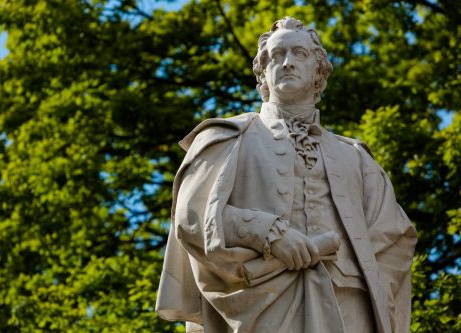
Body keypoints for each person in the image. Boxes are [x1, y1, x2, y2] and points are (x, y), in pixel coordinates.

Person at [156, 17, 417, 333]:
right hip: (261, 300)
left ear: (318, 71)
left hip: (349, 309)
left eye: (299, 54)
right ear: (263, 73)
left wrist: (364, 283)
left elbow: (395, 238)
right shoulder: (225, 139)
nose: (287, 63)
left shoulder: (357, 158)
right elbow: (192, 216)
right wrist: (268, 233)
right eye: (276, 57)